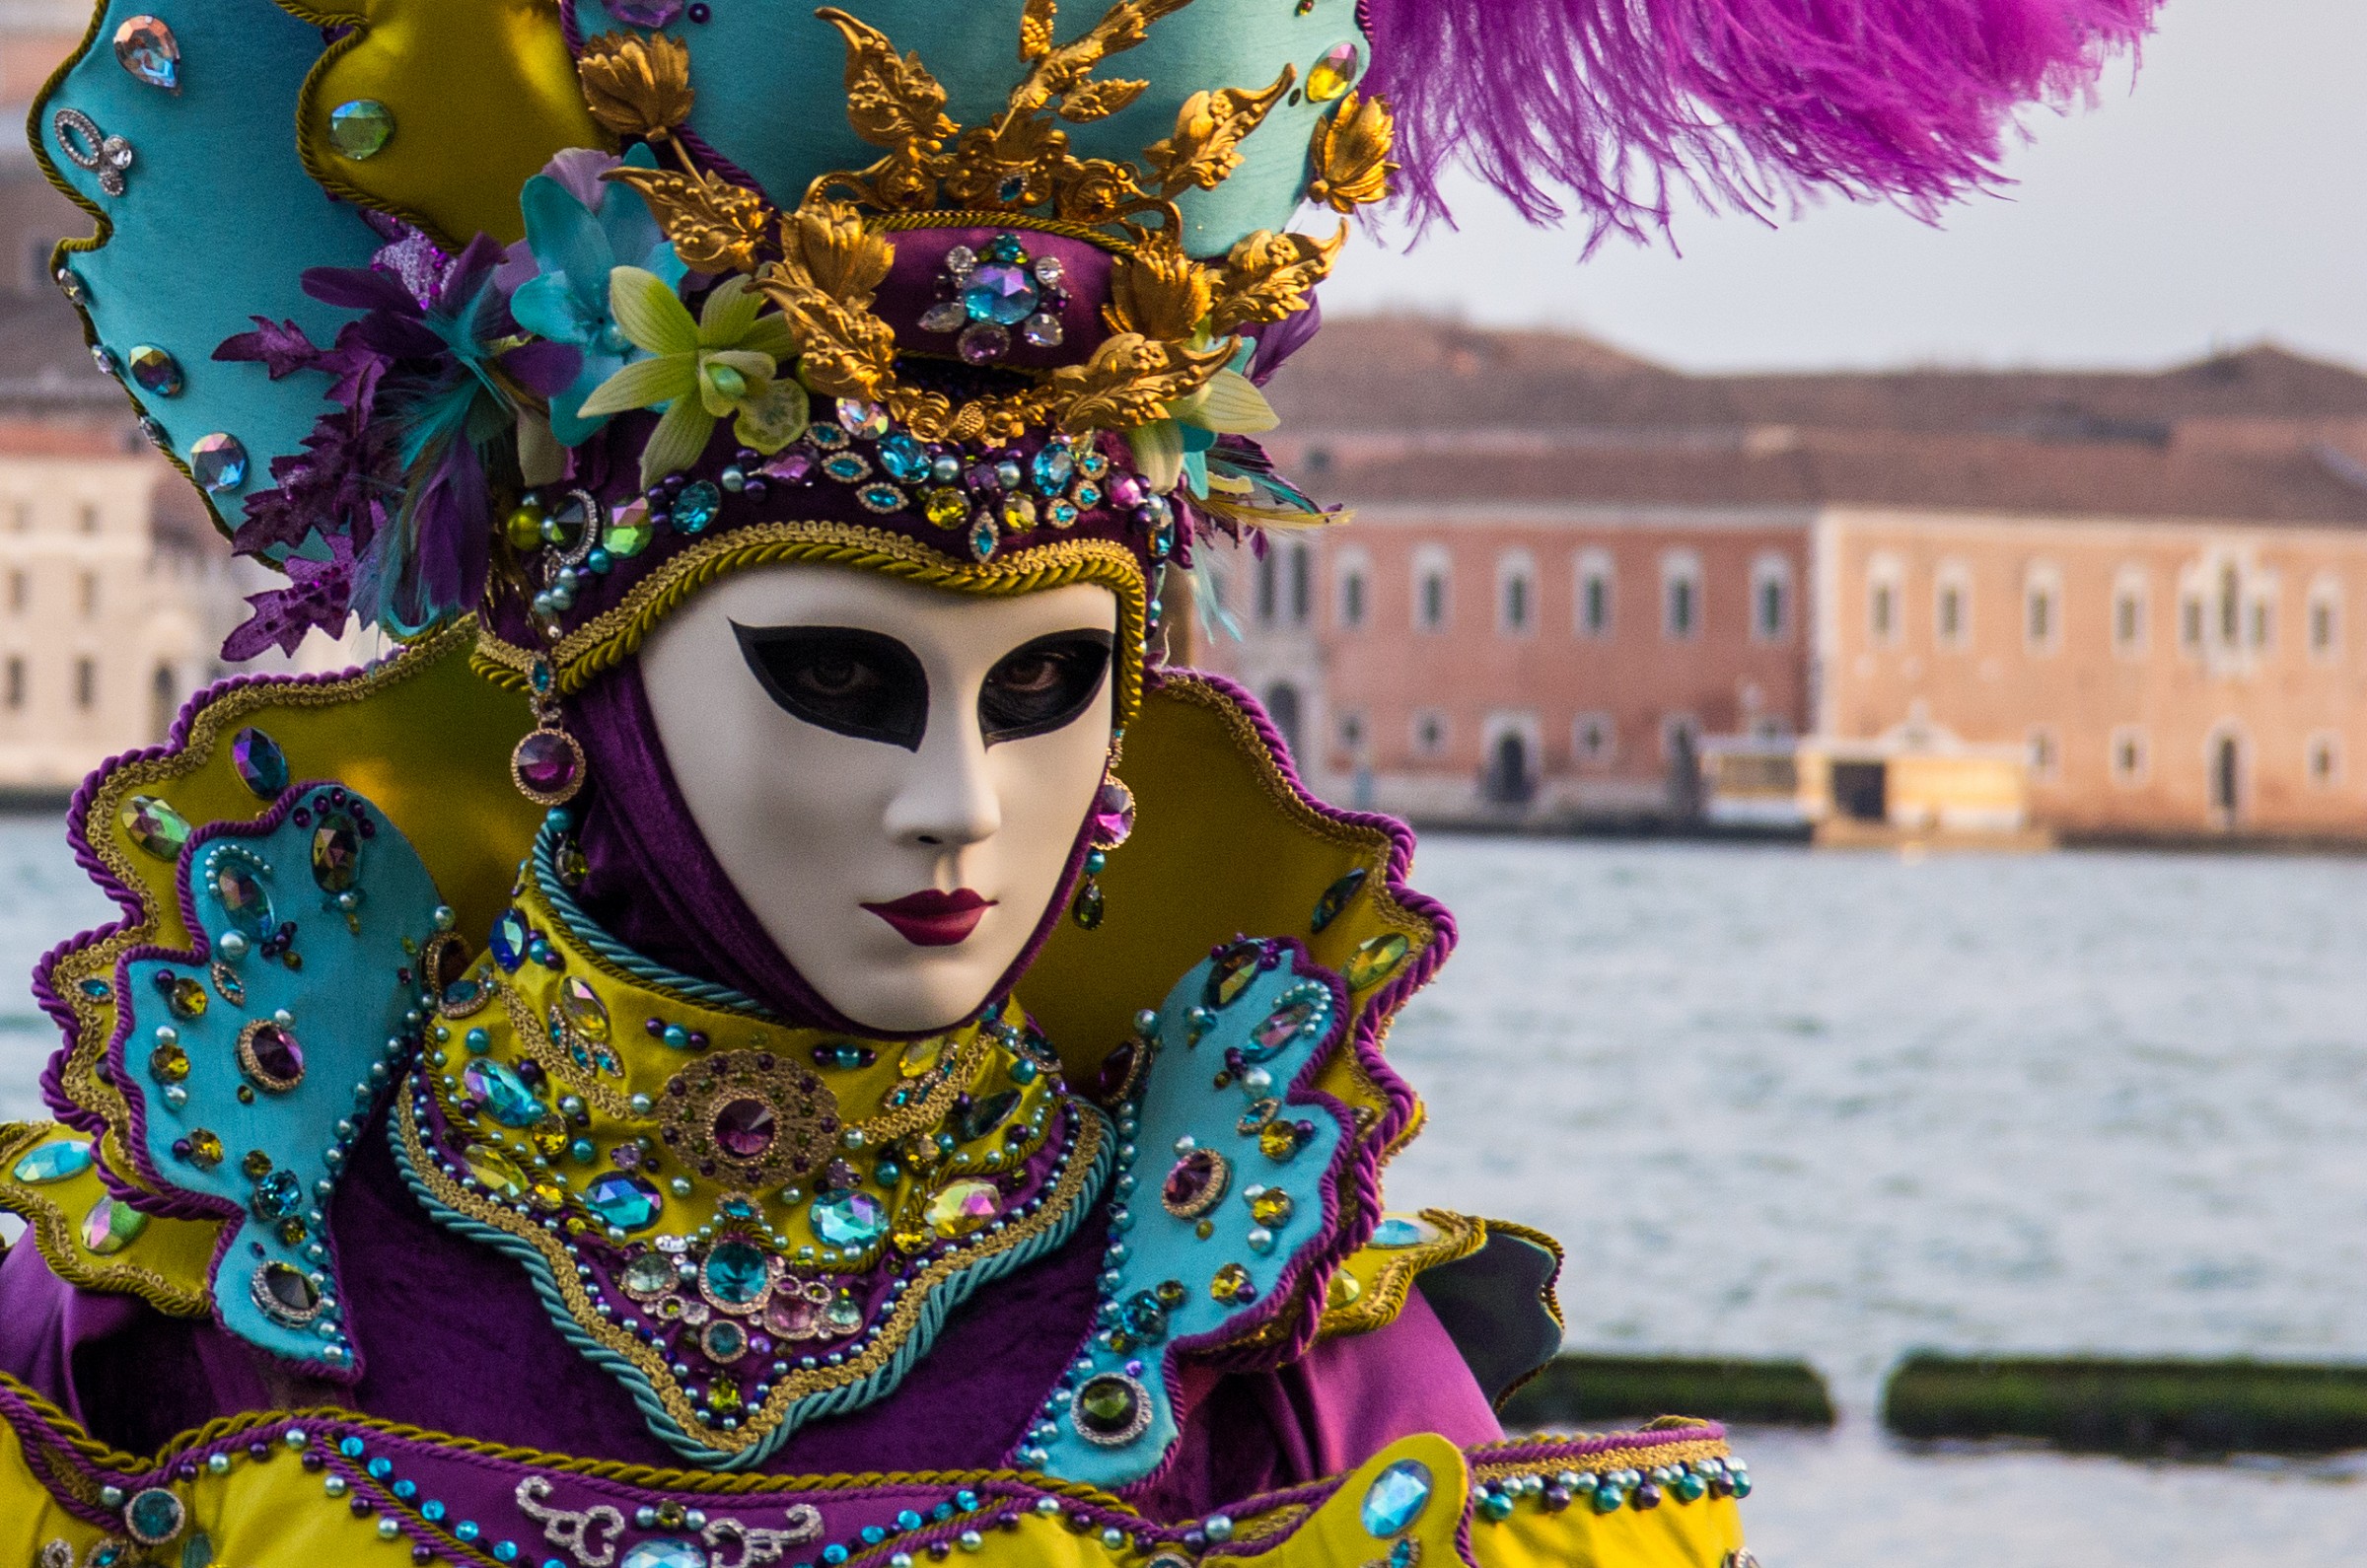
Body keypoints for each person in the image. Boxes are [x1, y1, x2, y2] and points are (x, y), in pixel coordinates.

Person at [0, 2, 2152, 1562]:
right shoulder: (180, 1296)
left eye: (1045, 690)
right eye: (841, 678)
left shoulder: (1272, 1358)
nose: (960, 806)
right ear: (599, 679)